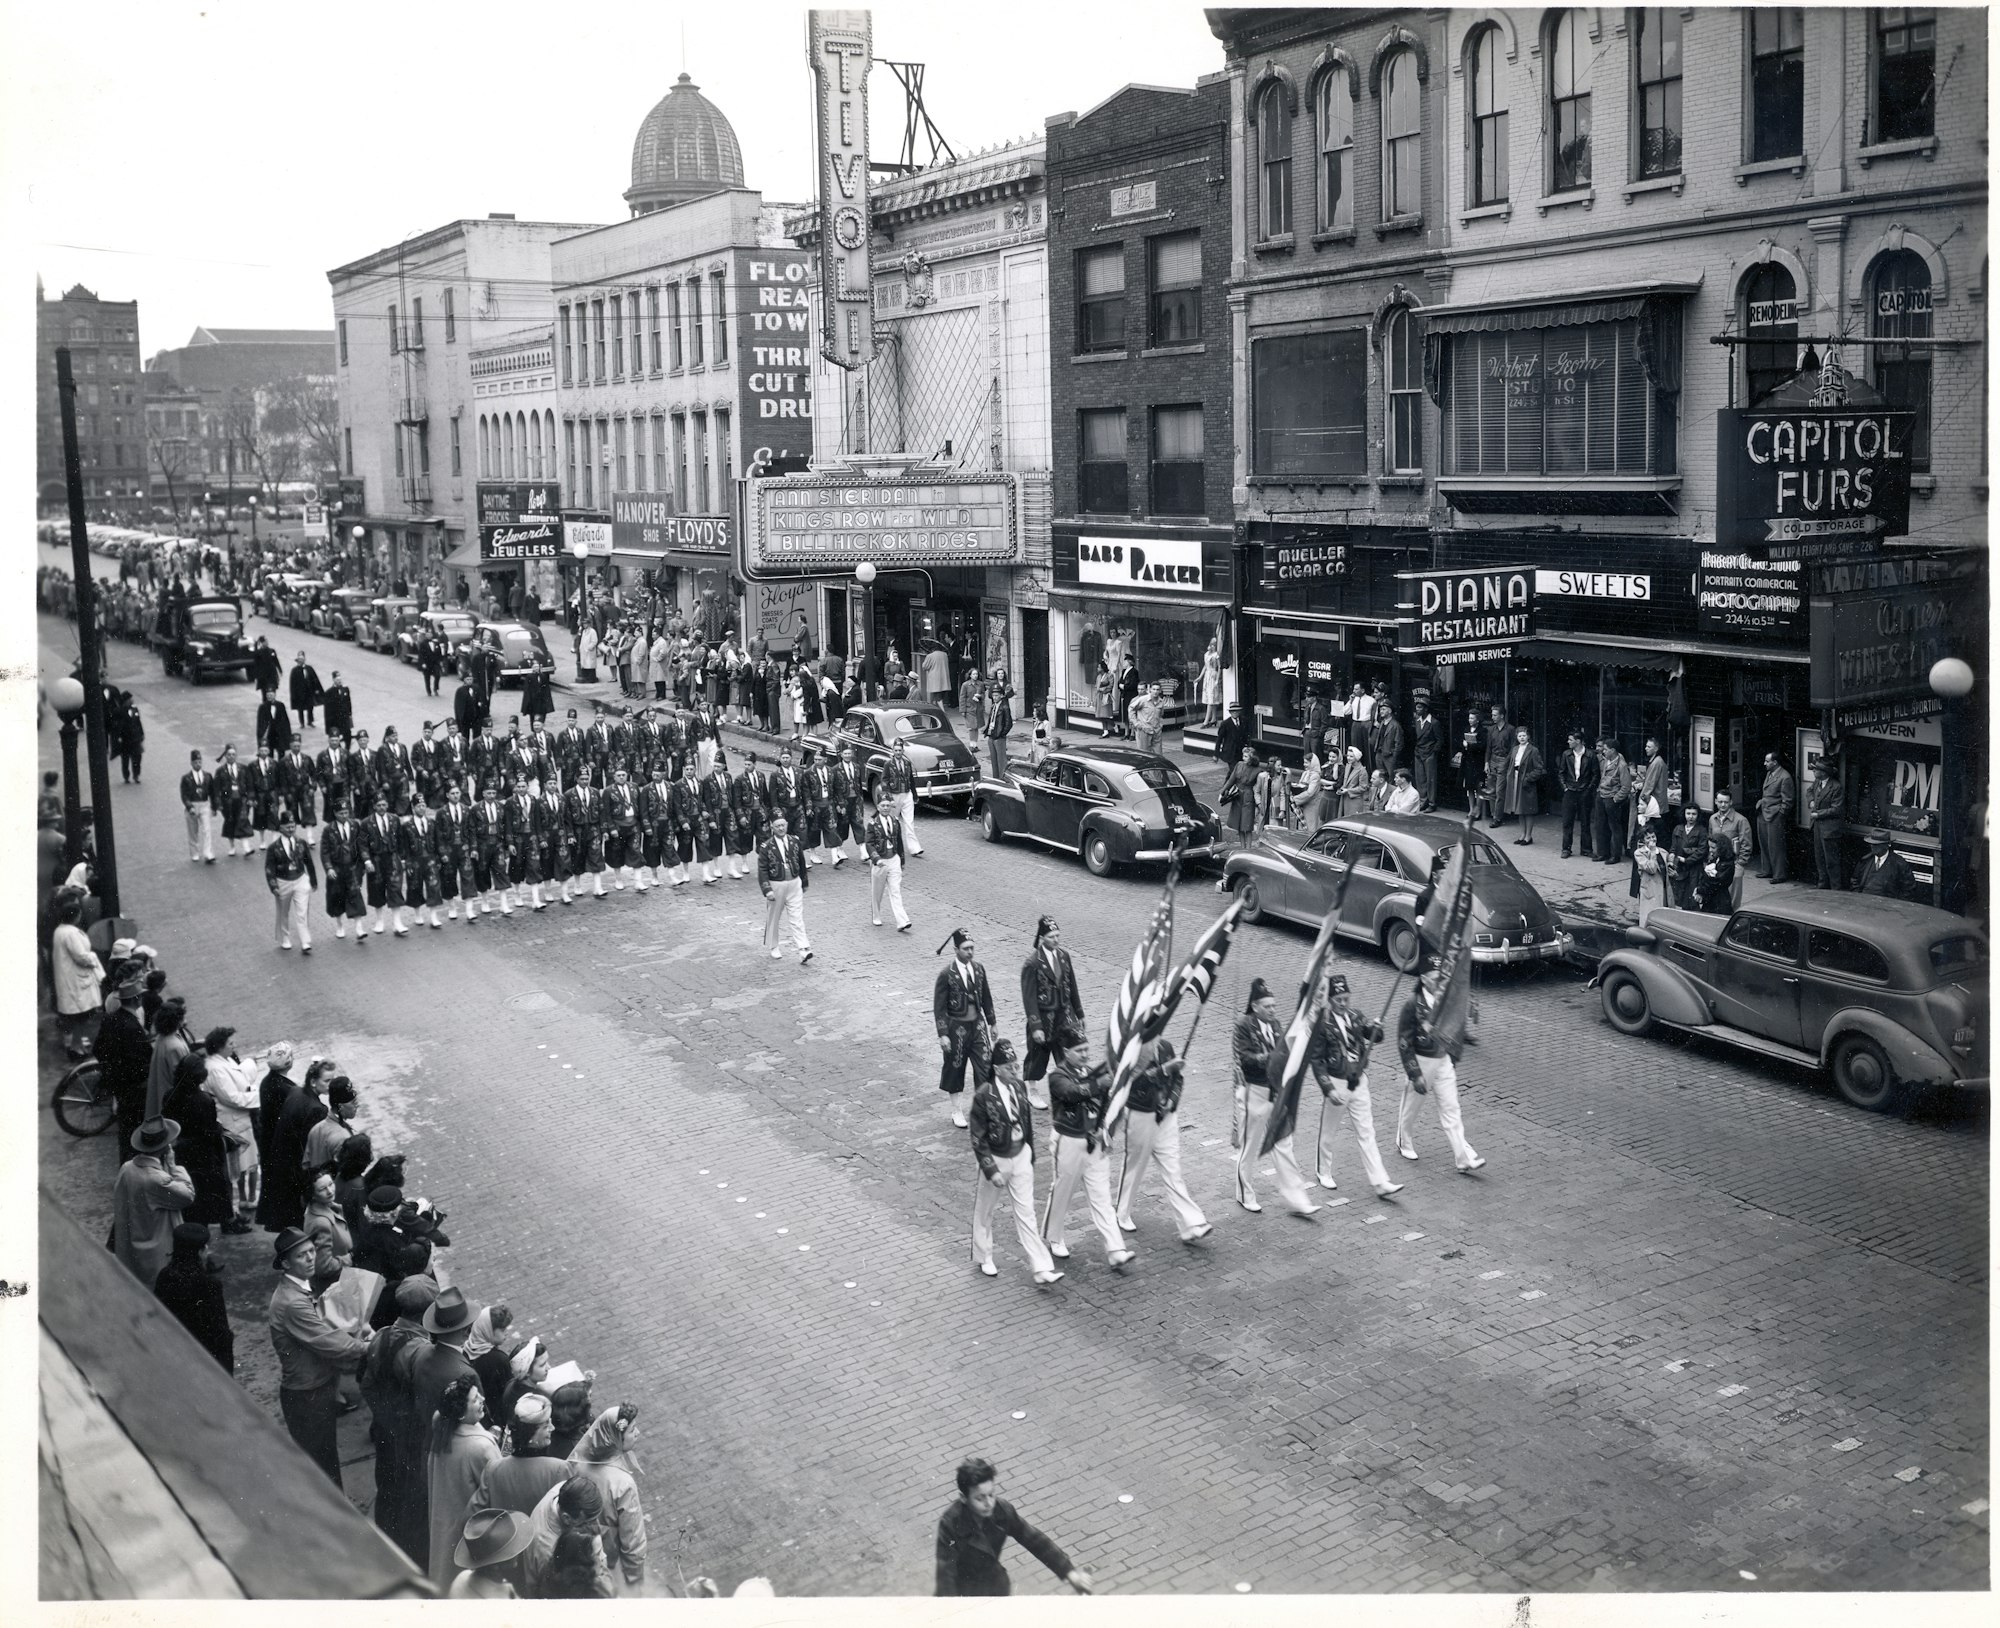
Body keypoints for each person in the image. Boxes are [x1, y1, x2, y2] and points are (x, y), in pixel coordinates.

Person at [268, 1226, 371, 1485]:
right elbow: (328, 1342)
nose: (311, 1258)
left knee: (323, 1461)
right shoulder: (292, 1302)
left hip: (313, 1388)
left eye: (312, 1251)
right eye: (302, 1255)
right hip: (308, 1394)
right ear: (285, 1263)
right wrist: (368, 1346)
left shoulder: (299, 1288)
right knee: (322, 1471)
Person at [968, 1040, 1062, 1283]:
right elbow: (978, 1138)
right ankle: (984, 1255)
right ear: (997, 1069)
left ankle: (1041, 1268)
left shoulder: (1020, 1088)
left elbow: (1027, 1122)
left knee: (1026, 1212)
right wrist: (990, 1169)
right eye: (1009, 1067)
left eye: (1016, 1066)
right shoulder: (984, 1096)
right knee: (985, 1212)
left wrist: (1030, 1154)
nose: (1015, 1071)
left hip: (1020, 1155)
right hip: (997, 1158)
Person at [935, 1457, 1093, 1597]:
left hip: (996, 1588)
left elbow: (1034, 1540)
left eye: (991, 1494)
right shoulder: (950, 1524)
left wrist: (1070, 1573)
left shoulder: (1002, 1510)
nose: (989, 1503)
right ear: (963, 1498)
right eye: (980, 1498)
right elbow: (946, 1574)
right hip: (963, 1595)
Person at [360, 1277, 438, 1557]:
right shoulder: (421, 1351)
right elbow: (426, 1399)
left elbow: (366, 1384)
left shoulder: (381, 1335)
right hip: (411, 1436)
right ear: (428, 1312)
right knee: (414, 1498)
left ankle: (385, 1545)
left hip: (385, 1430)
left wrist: (383, 1416)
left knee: (387, 1488)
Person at [1038, 1040, 1133, 1270]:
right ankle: (1054, 1237)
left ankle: (1115, 1249)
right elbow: (1072, 1093)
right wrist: (1100, 1084)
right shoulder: (1057, 1076)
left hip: (1094, 1142)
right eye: (1078, 1050)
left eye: (1086, 1050)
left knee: (1102, 1198)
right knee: (1063, 1190)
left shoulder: (1093, 1073)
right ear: (1066, 1051)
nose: (1084, 1054)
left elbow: (1105, 1104)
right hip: (1068, 1141)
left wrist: (1104, 1127)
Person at [1114, 1035, 1212, 1241]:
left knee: (1173, 1170)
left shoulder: (1166, 1046)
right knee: (1134, 1168)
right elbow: (1133, 1083)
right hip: (1141, 1115)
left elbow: (1178, 1080)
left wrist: (1172, 1101)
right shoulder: (1131, 1051)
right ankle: (1122, 1212)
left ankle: (1190, 1224)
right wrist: (1165, 1069)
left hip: (1166, 1119)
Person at [1233, 979, 1317, 1216]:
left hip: (1275, 1092)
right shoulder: (1244, 1026)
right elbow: (1245, 1058)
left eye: (1274, 1006)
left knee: (1283, 1143)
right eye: (1267, 1006)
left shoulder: (1277, 1025)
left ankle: (1297, 1197)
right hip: (1254, 1091)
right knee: (1249, 1144)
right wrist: (1270, 1059)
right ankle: (1244, 1193)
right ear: (1255, 1006)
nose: (1272, 1010)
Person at [1394, 962, 1485, 1174]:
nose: (1439, 982)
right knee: (1410, 1109)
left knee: (1451, 1109)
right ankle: (1403, 1140)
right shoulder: (1412, 1004)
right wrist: (1414, 1073)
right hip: (1421, 1060)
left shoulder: (1446, 1001)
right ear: (1424, 979)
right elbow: (1404, 1042)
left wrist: (1452, 1057)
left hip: (1442, 1060)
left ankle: (1463, 1158)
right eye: (1435, 978)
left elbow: (1454, 1031)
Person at [428, 1375, 503, 1591]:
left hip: (447, 1515)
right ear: (461, 1412)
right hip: (470, 1524)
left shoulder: (443, 1428)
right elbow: (496, 1482)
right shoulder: (480, 1447)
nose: (482, 1398)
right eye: (475, 1399)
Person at [564, 1405, 647, 1590]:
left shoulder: (578, 1462)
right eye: (632, 1430)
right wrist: (635, 1579)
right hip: (611, 1557)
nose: (638, 1433)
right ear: (617, 1436)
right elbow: (633, 1539)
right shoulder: (623, 1483)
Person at [113, 1116, 197, 1285]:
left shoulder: (127, 1168)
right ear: (165, 1147)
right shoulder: (157, 1179)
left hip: (133, 1244)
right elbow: (188, 1195)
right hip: (157, 1250)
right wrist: (174, 1167)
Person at [160, 1052, 235, 1228]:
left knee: (189, 1200)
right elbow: (210, 1132)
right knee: (205, 1199)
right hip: (204, 1156)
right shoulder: (204, 1100)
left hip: (181, 1153)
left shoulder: (170, 1096)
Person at [470, 1393, 571, 1518]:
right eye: (545, 1426)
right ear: (529, 1435)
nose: (552, 1427)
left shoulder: (493, 1469)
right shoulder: (559, 1469)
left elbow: (473, 1514)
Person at [933, 928, 996, 1129]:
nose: (970, 952)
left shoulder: (978, 969)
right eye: (965, 948)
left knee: (985, 1065)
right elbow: (939, 1007)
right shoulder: (946, 974)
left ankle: (982, 1109)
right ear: (955, 949)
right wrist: (943, 1034)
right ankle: (956, 1109)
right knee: (955, 1067)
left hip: (977, 1025)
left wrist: (993, 1022)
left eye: (972, 948)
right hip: (956, 1027)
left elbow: (986, 996)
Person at [152, 1221, 234, 1374]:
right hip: (205, 1357)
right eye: (205, 1246)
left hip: (176, 1353)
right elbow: (220, 1333)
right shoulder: (209, 1284)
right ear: (199, 1252)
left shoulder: (165, 1274)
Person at [1019, 914, 1083, 1105]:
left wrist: (1079, 1013)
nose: (1055, 940)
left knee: (1067, 1052)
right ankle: (1032, 1090)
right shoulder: (1033, 964)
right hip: (1044, 1017)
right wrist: (1035, 1025)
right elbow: (1029, 998)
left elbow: (1072, 985)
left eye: (1057, 935)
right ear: (1042, 938)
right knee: (1037, 1055)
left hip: (1064, 1014)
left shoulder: (1064, 956)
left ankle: (1067, 1088)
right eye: (1051, 936)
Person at [96, 970, 154, 1164]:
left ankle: (126, 1169)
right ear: (137, 1000)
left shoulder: (110, 1019)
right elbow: (143, 1061)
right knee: (136, 1133)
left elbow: (98, 1049)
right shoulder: (133, 1027)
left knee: (125, 1133)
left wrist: (112, 1070)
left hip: (119, 1087)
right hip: (134, 1089)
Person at [524, 1476, 613, 1598]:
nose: (594, 1526)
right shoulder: (548, 1551)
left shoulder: (566, 1489)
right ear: (566, 1518)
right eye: (585, 1523)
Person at [49, 893, 103, 1057]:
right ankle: (76, 1047)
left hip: (69, 978)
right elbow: (81, 956)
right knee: (80, 1015)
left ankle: (74, 1043)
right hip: (74, 980)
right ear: (76, 916)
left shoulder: (60, 930)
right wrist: (93, 958)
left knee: (75, 1015)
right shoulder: (71, 934)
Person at [757, 813, 813, 964]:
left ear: (787, 825)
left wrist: (804, 882)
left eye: (783, 825)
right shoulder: (766, 846)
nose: (781, 828)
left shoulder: (794, 841)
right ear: (772, 827)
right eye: (777, 826)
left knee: (797, 917)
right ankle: (773, 946)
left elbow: (801, 862)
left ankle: (803, 948)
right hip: (777, 885)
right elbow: (762, 870)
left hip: (794, 883)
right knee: (774, 917)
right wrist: (767, 889)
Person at [449, 1509, 534, 1599]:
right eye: (510, 1550)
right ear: (495, 1567)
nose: (518, 1552)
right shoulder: (504, 1599)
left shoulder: (461, 1579)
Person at [265, 811, 319, 953]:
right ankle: (285, 938)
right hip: (283, 882)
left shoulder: (301, 843)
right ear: (281, 827)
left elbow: (309, 862)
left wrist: (313, 881)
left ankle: (305, 941)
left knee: (302, 912)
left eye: (293, 826)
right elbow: (269, 869)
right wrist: (273, 886)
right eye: (287, 826)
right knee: (283, 912)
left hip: (300, 879)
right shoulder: (273, 848)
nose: (291, 829)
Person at [864, 790, 912, 932]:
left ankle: (902, 921)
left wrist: (902, 861)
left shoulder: (895, 822)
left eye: (887, 805)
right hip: (880, 862)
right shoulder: (873, 823)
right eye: (882, 805)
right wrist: (876, 859)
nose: (885, 808)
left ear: (891, 807)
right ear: (878, 806)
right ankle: (876, 915)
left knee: (895, 891)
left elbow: (899, 842)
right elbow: (869, 843)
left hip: (894, 859)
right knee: (877, 892)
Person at [1754, 752, 1795, 883]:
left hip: (1774, 815)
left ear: (1775, 762)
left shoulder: (1785, 777)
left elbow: (1788, 800)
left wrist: (1780, 815)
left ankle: (1779, 874)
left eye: (1767, 761)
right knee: (1764, 842)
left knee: (1776, 846)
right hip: (1764, 811)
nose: (1764, 764)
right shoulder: (1770, 773)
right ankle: (1767, 870)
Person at [1707, 791, 1753, 907]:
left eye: (1726, 802)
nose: (1723, 805)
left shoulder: (1741, 820)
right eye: (1720, 802)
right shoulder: (1712, 819)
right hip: (1717, 864)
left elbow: (1746, 844)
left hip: (1734, 862)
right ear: (1715, 802)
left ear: (1731, 802)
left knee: (1733, 899)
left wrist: (1740, 863)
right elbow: (1711, 840)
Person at [881, 737, 925, 856]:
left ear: (903, 751)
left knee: (909, 822)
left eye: (900, 750)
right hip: (894, 796)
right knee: (892, 821)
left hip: (906, 794)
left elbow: (911, 779)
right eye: (896, 750)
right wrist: (889, 798)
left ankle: (914, 847)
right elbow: (884, 781)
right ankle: (891, 844)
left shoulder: (907, 763)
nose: (898, 753)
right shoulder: (888, 764)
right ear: (893, 751)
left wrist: (915, 795)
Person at [1500, 726, 1543, 844]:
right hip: (1515, 780)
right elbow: (1509, 762)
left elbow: (1539, 768)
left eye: (1524, 735)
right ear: (1517, 737)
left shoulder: (1533, 750)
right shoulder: (1515, 749)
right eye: (1519, 736)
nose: (1522, 738)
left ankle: (1528, 836)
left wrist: (1528, 778)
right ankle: (1522, 834)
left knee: (1527, 810)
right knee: (1519, 809)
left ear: (1528, 736)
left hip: (1526, 782)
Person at [1853, 829, 1920, 900]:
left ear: (1886, 845)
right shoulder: (1865, 860)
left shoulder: (1899, 863)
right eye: (1871, 844)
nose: (1872, 847)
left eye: (1876, 845)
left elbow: (1909, 889)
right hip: (1863, 901)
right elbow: (1854, 880)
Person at [1808, 759, 1845, 889]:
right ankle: (1822, 884)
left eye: (1816, 769)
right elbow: (1809, 791)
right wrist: (1811, 801)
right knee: (1819, 858)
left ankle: (1835, 887)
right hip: (1817, 826)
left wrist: (1819, 814)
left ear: (1824, 772)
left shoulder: (1836, 787)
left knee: (1831, 861)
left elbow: (1837, 808)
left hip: (1830, 828)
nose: (1813, 771)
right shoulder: (1817, 782)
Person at [1595, 737, 1631, 866]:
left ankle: (1615, 855)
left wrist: (1615, 799)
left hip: (1611, 798)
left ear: (1613, 750)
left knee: (1614, 827)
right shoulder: (1606, 760)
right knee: (1601, 826)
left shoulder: (1622, 765)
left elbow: (1626, 786)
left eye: (1605, 749)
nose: (1603, 751)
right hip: (1602, 795)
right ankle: (1603, 853)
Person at [1668, 805, 1710, 910]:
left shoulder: (1702, 830)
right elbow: (1673, 846)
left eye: (1694, 814)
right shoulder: (1678, 828)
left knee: (1692, 896)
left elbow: (1702, 851)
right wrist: (1672, 855)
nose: (1690, 817)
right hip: (1680, 868)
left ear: (1698, 815)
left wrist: (1686, 860)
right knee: (1679, 894)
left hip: (1694, 869)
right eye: (1688, 814)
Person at [1630, 826, 1673, 927]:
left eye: (1653, 836)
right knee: (1650, 921)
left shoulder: (1663, 852)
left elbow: (1666, 870)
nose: (1652, 840)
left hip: (1664, 890)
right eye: (1648, 838)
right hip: (1650, 891)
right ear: (1643, 840)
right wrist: (1652, 852)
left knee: (1664, 919)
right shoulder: (1639, 853)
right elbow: (1651, 869)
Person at [180, 749, 217, 863]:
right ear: (191, 763)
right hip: (192, 804)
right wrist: (189, 806)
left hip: (204, 804)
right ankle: (194, 853)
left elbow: (213, 792)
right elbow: (184, 795)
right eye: (195, 762)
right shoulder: (186, 778)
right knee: (193, 831)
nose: (198, 764)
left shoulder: (207, 776)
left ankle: (208, 853)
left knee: (207, 829)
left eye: (200, 762)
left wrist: (214, 807)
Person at [1220, 748, 1260, 849]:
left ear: (1252, 758)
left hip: (1248, 797)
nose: (1243, 758)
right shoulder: (1239, 765)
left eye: (1246, 756)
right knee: (1239, 824)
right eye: (1243, 756)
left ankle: (1249, 849)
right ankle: (1243, 848)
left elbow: (1259, 787)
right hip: (1237, 796)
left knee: (1247, 825)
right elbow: (1231, 780)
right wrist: (1222, 791)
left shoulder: (1258, 770)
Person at [982, 672, 1016, 778]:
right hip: (991, 735)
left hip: (999, 736)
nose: (994, 697)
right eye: (993, 695)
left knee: (1001, 760)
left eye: (997, 695)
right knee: (994, 760)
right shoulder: (993, 706)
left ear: (1001, 696)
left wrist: (1002, 733)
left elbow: (1008, 723)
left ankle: (1002, 778)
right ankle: (995, 778)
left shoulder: (1004, 707)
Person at [1455, 709, 1486, 819]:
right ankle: (1471, 810)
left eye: (1472, 718)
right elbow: (1461, 743)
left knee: (1478, 787)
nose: (1470, 720)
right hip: (1467, 761)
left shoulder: (1482, 731)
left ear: (1477, 720)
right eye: (1469, 718)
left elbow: (1482, 746)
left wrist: (1469, 746)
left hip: (1477, 762)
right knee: (1469, 787)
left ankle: (1477, 811)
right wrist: (1463, 746)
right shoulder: (1466, 729)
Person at [1697, 834, 1737, 914]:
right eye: (1709, 847)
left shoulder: (1727, 863)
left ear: (1722, 848)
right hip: (1710, 899)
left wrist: (1700, 890)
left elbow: (1716, 882)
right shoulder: (1716, 858)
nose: (1710, 850)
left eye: (1713, 848)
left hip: (1720, 901)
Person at [1412, 703, 1440, 810]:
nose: (1417, 710)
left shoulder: (1434, 723)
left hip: (1429, 754)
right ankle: (1423, 801)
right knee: (1420, 779)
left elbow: (1439, 740)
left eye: (1419, 708)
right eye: (1417, 707)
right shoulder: (1417, 721)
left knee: (1430, 780)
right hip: (1418, 753)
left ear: (1426, 709)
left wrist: (1432, 753)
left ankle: (1432, 803)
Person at [290, 652, 325, 729]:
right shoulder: (294, 670)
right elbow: (293, 684)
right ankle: (302, 723)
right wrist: (294, 694)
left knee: (310, 707)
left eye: (302, 659)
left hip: (309, 691)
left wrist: (316, 689)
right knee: (300, 708)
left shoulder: (309, 668)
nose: (301, 661)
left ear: (304, 660)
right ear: (297, 660)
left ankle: (310, 721)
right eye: (299, 659)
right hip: (300, 693)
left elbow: (315, 679)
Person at [1129, 681, 1164, 757]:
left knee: (1158, 755)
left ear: (1160, 691)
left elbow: (1161, 715)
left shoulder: (1161, 701)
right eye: (1154, 689)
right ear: (1150, 689)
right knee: (1144, 755)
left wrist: (1160, 725)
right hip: (1144, 731)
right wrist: (1136, 723)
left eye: (1157, 689)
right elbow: (1131, 709)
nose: (1155, 691)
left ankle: (1156, 769)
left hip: (1156, 732)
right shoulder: (1143, 700)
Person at [323, 672, 354, 740]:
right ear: (333, 680)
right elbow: (327, 709)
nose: (339, 681)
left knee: (348, 734)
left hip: (345, 716)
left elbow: (348, 702)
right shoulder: (329, 692)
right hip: (335, 718)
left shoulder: (345, 689)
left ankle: (347, 748)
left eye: (340, 680)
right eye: (337, 680)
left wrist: (350, 713)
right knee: (336, 734)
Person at [1213, 702, 1244, 767]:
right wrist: (1216, 754)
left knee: (1237, 771)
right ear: (1230, 712)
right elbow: (1219, 739)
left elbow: (1246, 736)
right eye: (1233, 711)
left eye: (1237, 711)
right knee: (1234, 770)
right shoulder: (1225, 724)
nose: (1235, 713)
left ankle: (1228, 777)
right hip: (1230, 752)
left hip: (1240, 752)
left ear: (1239, 712)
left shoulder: (1243, 721)